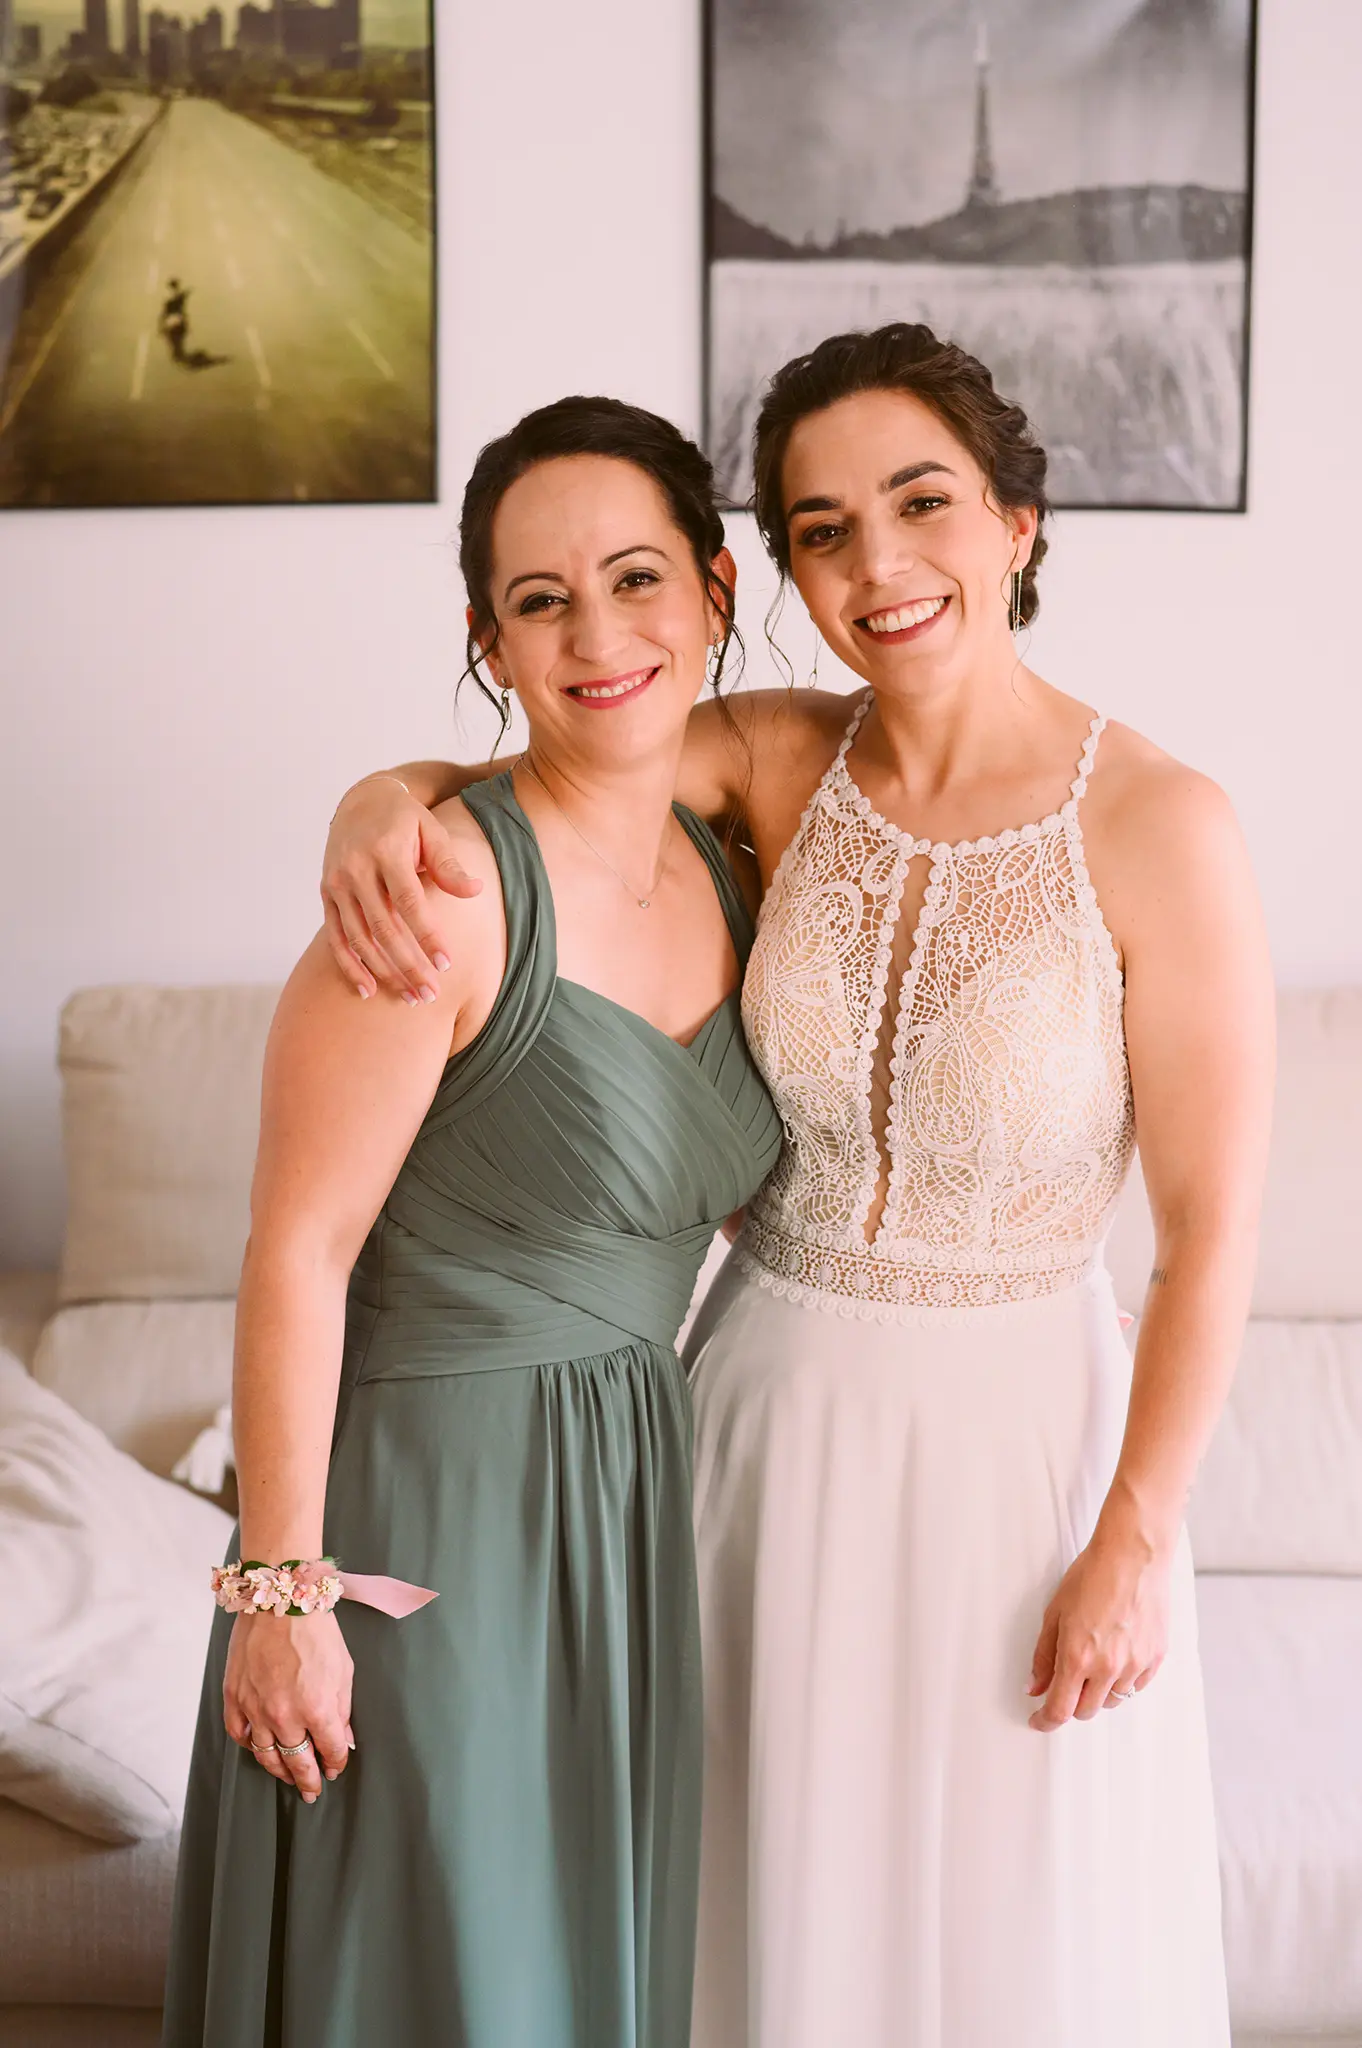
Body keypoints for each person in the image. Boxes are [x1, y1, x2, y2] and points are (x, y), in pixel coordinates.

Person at [318, 324, 1275, 2048]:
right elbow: (548, 771)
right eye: (822, 529)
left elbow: (1209, 1234)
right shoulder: (770, 756)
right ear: (778, 572)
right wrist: (376, 796)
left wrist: (1132, 1536)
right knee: (746, 1901)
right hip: (757, 1421)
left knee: (1011, 1918)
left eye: (921, 503)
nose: (877, 563)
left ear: (1016, 522)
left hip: (1022, 1454)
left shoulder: (1162, 823)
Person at [161, 397, 782, 2048]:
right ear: (486, 639)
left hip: (630, 1504)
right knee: (445, 1973)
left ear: (715, 590)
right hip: (430, 1511)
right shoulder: (430, 891)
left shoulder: (735, 867)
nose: (599, 636)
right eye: (539, 600)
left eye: (637, 579)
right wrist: (281, 1599)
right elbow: (295, 1251)